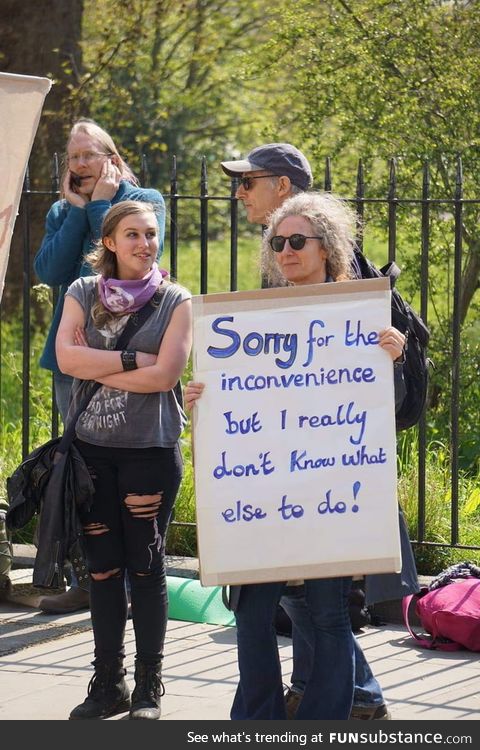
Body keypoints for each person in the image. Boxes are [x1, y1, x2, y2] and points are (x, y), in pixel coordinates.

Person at [186, 190, 407, 719]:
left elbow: (386, 408)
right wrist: (200, 398)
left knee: (330, 615)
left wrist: (392, 360)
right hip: (261, 492)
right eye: (277, 241)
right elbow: (242, 408)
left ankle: (322, 721)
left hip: (328, 492)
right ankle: (255, 720)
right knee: (253, 614)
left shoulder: (361, 317)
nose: (285, 250)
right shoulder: (257, 318)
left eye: (297, 240)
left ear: (326, 247)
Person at [55, 200, 192, 720]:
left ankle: (148, 688)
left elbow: (166, 378)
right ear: (110, 242)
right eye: (132, 234)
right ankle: (107, 681)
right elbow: (68, 360)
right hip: (90, 455)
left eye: (151, 234)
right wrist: (136, 360)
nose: (144, 244)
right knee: (102, 570)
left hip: (149, 455)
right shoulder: (83, 292)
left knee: (146, 567)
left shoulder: (176, 301)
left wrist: (99, 365)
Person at [34, 118, 165, 615]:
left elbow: (115, 263)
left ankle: (135, 581)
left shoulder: (145, 201)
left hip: (134, 358)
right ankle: (90, 580)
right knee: (82, 471)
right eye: (73, 157)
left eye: (90, 154)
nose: (80, 164)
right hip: (75, 359)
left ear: (113, 157)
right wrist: (77, 211)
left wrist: (104, 210)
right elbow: (48, 270)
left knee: (129, 472)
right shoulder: (63, 210)